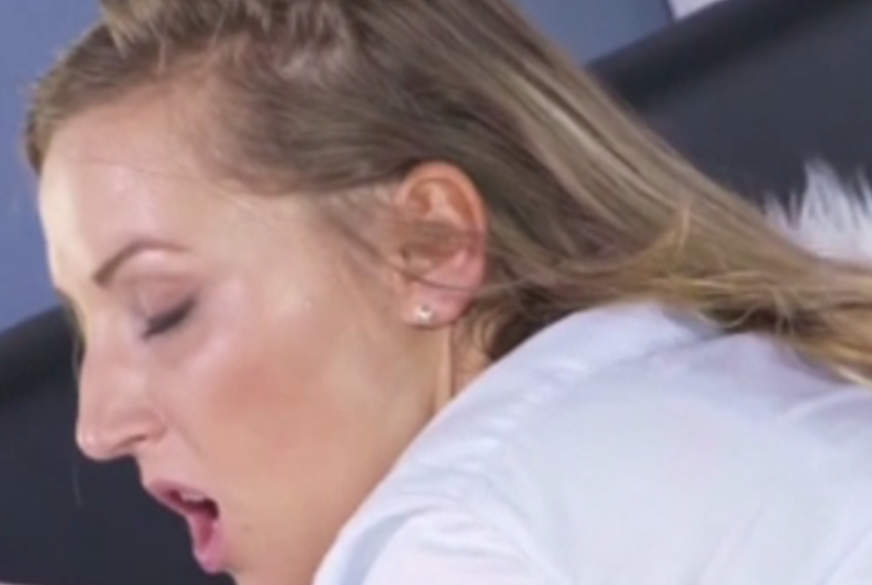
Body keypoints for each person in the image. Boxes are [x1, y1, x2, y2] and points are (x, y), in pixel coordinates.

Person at [28, 1, 872, 584]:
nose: (96, 427)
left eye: (162, 309)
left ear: (427, 246)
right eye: (84, 332)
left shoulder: (461, 535)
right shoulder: (710, 383)